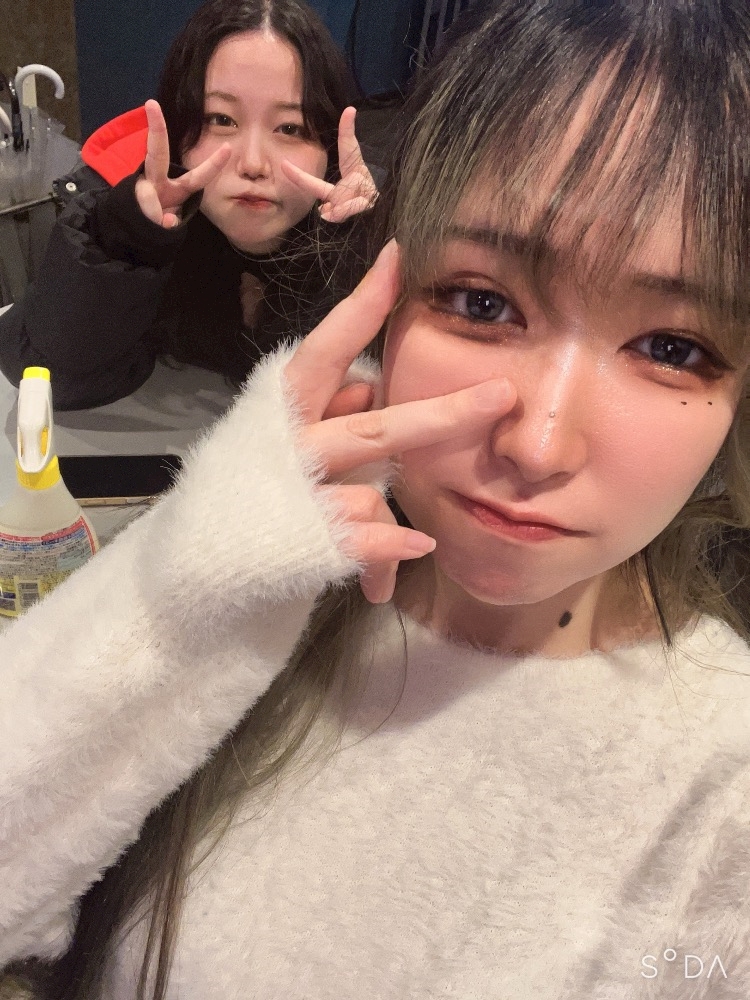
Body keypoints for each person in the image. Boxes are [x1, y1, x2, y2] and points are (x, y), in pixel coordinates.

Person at [1, 0, 750, 997]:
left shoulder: (723, 784)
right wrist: (179, 585)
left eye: (672, 348)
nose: (538, 445)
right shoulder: (248, 583)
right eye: (482, 301)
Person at [0, 0, 376, 410]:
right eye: (222, 120)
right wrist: (129, 239)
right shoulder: (134, 216)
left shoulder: (370, 227)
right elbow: (47, 378)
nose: (253, 163)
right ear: (180, 130)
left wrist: (355, 250)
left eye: (290, 127)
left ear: (330, 147)